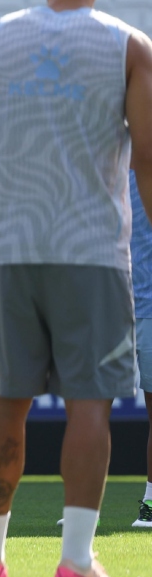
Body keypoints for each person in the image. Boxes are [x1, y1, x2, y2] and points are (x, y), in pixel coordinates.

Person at [0, 0, 148, 577]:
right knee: (91, 404)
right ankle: (76, 561)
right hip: (92, 251)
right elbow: (147, 155)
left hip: (10, 248)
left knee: (6, 403)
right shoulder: (130, 48)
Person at [134, 179, 152, 530]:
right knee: (89, 404)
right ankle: (83, 507)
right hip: (112, 302)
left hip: (150, 308)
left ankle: (150, 505)